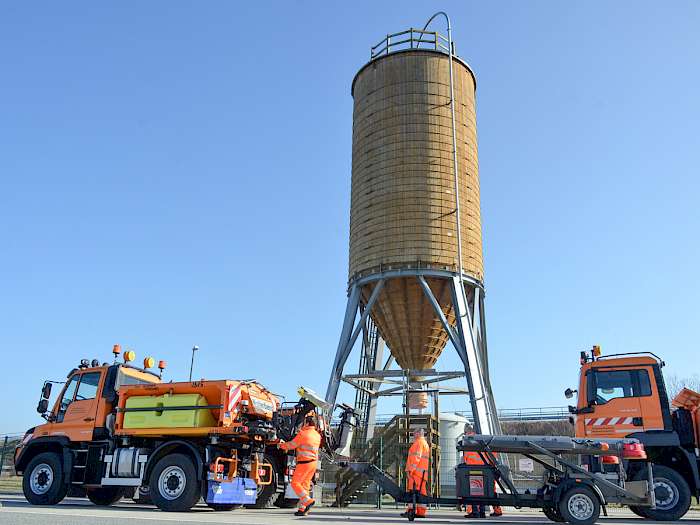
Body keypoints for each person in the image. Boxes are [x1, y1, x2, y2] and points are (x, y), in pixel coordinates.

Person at [278, 414, 321, 516]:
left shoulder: (303, 434)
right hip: (313, 463)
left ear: (306, 423)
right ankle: (303, 509)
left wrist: (281, 445)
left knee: (295, 483)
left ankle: (308, 501)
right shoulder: (317, 435)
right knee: (304, 486)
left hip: (304, 463)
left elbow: (292, 445)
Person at [463, 429, 502, 518]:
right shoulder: (483, 442)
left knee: (474, 491)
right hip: (487, 470)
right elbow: (492, 458)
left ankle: (476, 512)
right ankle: (484, 512)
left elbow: (466, 458)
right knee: (485, 492)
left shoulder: (469, 441)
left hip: (473, 470)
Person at [401, 428, 430, 519]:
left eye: (414, 433)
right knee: (421, 493)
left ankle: (410, 511)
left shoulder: (418, 443)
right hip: (422, 473)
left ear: (418, 433)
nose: (413, 435)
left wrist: (410, 471)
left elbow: (415, 458)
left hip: (416, 473)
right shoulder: (424, 443)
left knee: (412, 492)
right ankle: (421, 512)